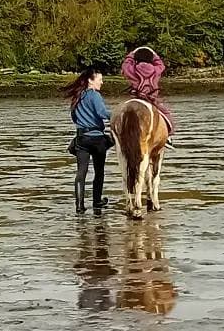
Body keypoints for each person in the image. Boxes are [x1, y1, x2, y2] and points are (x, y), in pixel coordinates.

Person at [64, 66, 113, 215]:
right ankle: (96, 201)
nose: (102, 82)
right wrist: (119, 114)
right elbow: (102, 113)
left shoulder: (78, 96)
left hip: (81, 139)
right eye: (100, 79)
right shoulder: (94, 95)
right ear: (90, 81)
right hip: (97, 139)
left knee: (81, 172)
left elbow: (74, 117)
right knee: (99, 171)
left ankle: (79, 206)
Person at [121, 46, 175, 145]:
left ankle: (117, 136)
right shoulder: (156, 70)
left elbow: (125, 64)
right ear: (151, 59)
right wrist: (154, 53)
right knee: (166, 114)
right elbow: (160, 64)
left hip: (136, 98)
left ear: (136, 59)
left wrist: (132, 54)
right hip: (151, 99)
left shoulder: (132, 70)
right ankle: (168, 136)